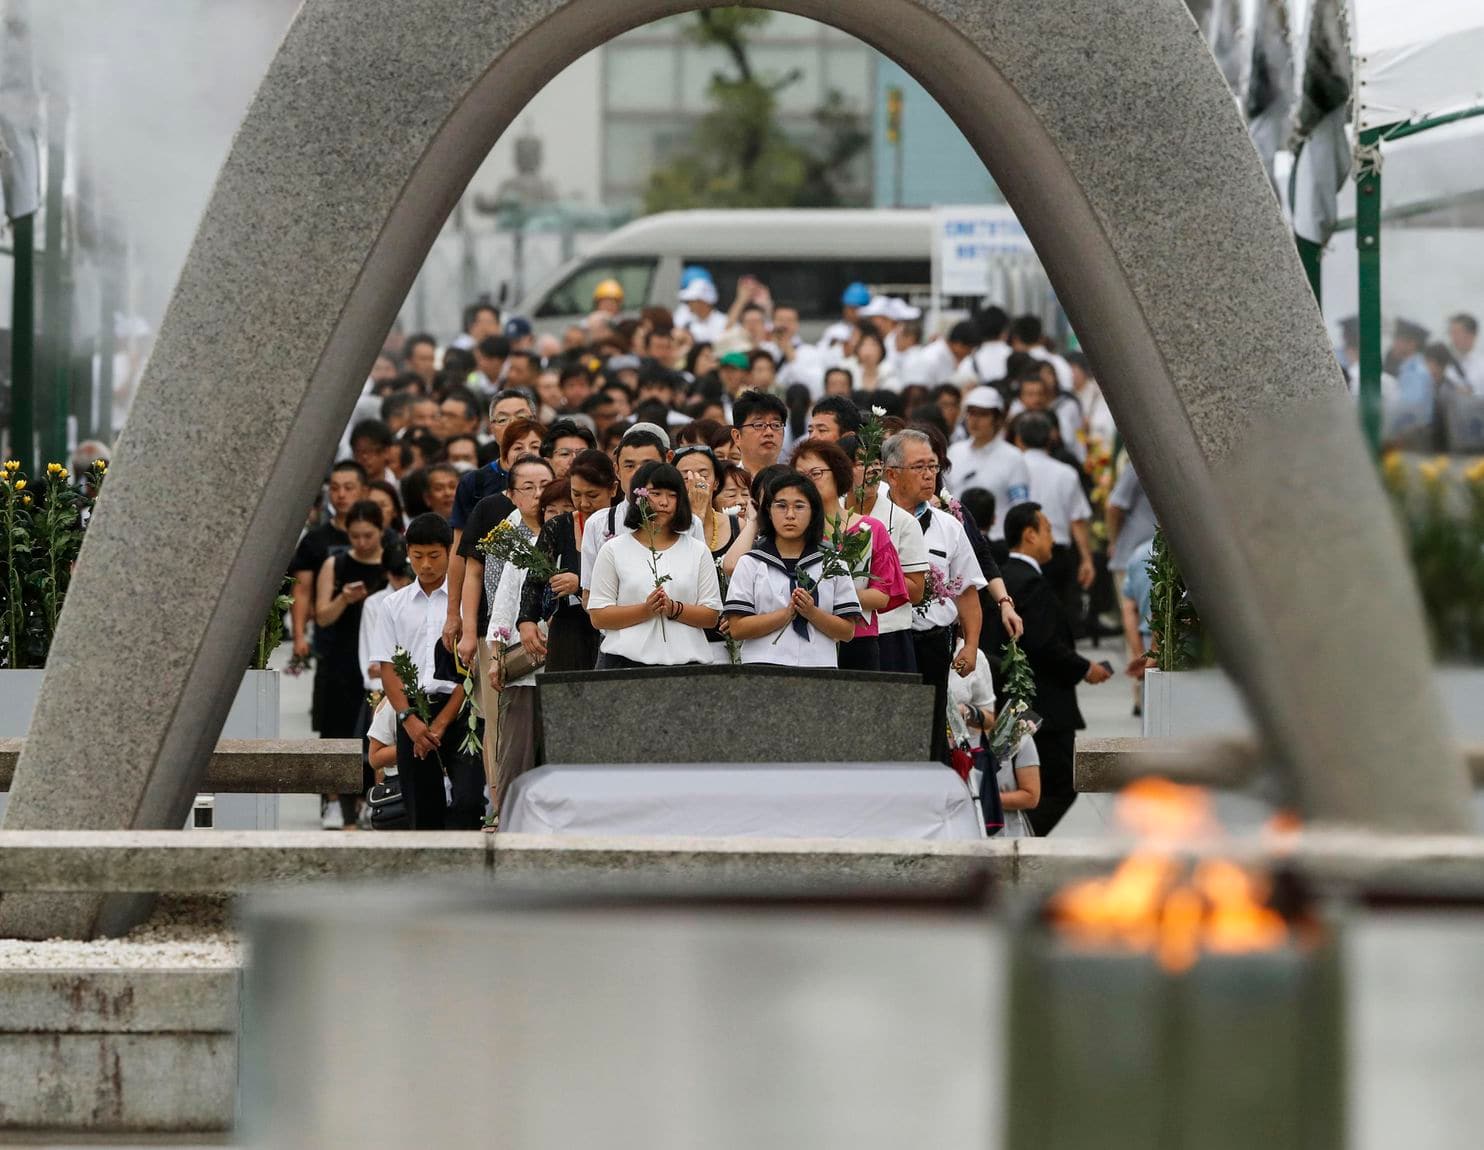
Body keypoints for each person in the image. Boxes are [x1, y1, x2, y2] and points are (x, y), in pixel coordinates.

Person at [991, 502, 1112, 835]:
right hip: (1043, 705)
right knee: (1058, 784)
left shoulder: (1002, 578)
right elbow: (1044, 643)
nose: (1052, 538)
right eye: (1047, 529)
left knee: (1029, 780)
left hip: (1017, 701)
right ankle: (1018, 835)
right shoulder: (1029, 582)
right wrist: (1085, 667)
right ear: (1030, 535)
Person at [371, 513, 486, 830]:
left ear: (450, 552)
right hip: (412, 711)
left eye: (434, 556)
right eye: (418, 556)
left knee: (469, 799)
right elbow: (387, 667)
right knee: (421, 807)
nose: (425, 565)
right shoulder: (394, 605)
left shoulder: (465, 602)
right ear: (408, 551)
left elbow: (469, 670)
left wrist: (441, 724)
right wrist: (408, 719)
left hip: (462, 709)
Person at [883, 430, 989, 763]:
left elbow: (966, 590)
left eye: (932, 466)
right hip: (886, 639)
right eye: (919, 467)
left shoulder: (948, 525)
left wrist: (970, 645)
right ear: (892, 474)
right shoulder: (872, 521)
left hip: (932, 642)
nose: (929, 474)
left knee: (930, 731)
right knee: (889, 726)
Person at [587, 464, 722, 667]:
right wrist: (646, 610)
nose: (664, 502)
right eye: (655, 493)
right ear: (639, 497)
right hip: (626, 664)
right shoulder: (614, 549)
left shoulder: (697, 550)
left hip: (687, 666)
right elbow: (599, 616)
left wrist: (673, 608)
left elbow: (711, 615)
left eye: (672, 495)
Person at [791, 438, 907, 671]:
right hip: (806, 639)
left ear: (838, 473)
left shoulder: (871, 529)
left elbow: (882, 596)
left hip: (859, 638)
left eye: (816, 473)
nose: (808, 482)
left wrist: (831, 594)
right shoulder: (794, 532)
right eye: (800, 476)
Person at [724, 472, 862, 665]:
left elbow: (847, 632)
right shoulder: (751, 562)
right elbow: (737, 628)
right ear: (768, 512)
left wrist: (811, 612)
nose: (790, 515)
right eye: (781, 506)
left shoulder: (832, 564)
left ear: (813, 512)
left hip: (818, 666)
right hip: (763, 667)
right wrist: (786, 614)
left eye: (799, 506)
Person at [484, 455, 556, 816]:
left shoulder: (576, 536)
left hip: (566, 664)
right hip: (524, 664)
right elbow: (503, 606)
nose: (538, 495)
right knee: (516, 755)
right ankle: (509, 822)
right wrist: (497, 655)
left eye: (545, 485)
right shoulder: (514, 543)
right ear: (511, 495)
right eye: (528, 487)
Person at [312, 500, 388, 828]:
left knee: (375, 733)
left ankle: (373, 799)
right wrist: (343, 598)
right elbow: (322, 616)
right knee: (338, 730)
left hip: (378, 654)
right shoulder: (336, 563)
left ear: (381, 531)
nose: (361, 542)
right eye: (355, 536)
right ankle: (334, 800)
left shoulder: (392, 564)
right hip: (342, 655)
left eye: (368, 535)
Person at [516, 449, 618, 674]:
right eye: (576, 494)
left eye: (592, 496)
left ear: (613, 489)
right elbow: (535, 578)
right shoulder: (557, 527)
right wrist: (527, 620)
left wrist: (580, 585)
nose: (583, 503)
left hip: (614, 628)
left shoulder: (623, 526)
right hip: (568, 630)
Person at [288, 460, 369, 666]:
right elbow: (302, 590)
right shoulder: (315, 540)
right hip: (328, 638)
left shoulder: (380, 537)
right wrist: (299, 636)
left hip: (371, 634)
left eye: (348, 488)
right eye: (334, 488)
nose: (341, 494)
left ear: (364, 491)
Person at [1015, 414, 1094, 623]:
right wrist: (1086, 559)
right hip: (1056, 553)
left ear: (1019, 439)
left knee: (1025, 616)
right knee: (1057, 616)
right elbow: (1077, 520)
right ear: (1051, 438)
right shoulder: (1066, 473)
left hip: (1019, 551)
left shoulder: (1012, 467)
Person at [674, 445, 743, 663]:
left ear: (716, 482)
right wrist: (696, 514)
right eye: (684, 476)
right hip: (681, 640)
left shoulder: (737, 526)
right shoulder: (664, 530)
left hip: (729, 642)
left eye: (703, 474)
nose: (694, 481)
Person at [945, 387, 1030, 539]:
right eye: (971, 413)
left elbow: (1020, 506)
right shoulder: (955, 451)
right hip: (958, 540)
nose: (975, 420)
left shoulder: (1013, 457)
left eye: (983, 414)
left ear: (997, 419)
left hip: (997, 542)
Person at [731, 389, 787, 475]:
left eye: (776, 425)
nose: (769, 432)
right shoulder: (725, 484)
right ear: (737, 436)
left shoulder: (794, 484)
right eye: (759, 425)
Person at [1448, 313, 1483, 394]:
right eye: (1451, 333)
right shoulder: (1445, 363)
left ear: (1471, 335)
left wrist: (1470, 394)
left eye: (1456, 333)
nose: (1453, 337)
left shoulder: (1481, 366)